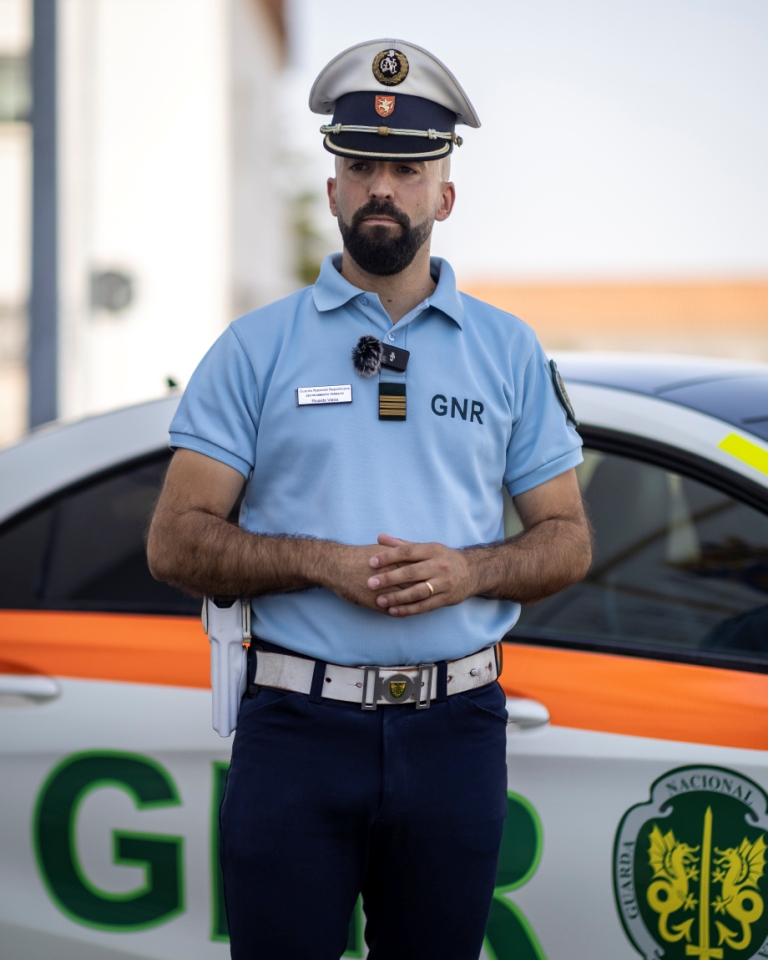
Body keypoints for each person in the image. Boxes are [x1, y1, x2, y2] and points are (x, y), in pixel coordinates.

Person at [147, 38, 592, 960]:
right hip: (296, 731)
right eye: (360, 166)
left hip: (456, 733)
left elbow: (567, 540)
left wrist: (470, 570)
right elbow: (176, 541)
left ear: (444, 197)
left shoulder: (508, 350)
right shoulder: (254, 347)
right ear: (332, 190)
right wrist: (322, 563)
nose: (381, 187)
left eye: (407, 169)